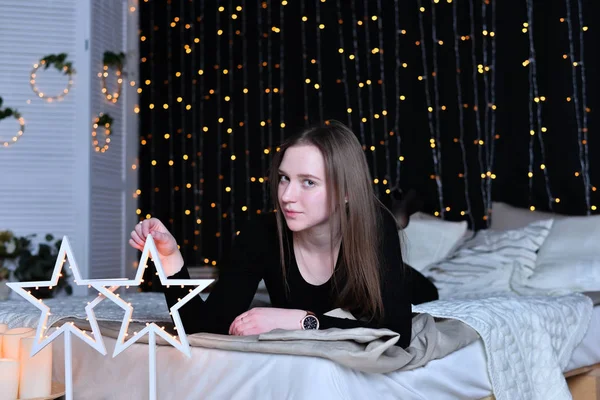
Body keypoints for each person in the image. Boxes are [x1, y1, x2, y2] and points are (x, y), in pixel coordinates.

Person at [129, 121, 437, 349]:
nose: (287, 195)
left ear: (346, 192)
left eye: (308, 182)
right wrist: (170, 261)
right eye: (284, 179)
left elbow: (397, 332)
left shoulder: (375, 224)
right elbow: (201, 328)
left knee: (425, 290)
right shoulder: (259, 234)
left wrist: (301, 320)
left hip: (415, 285)